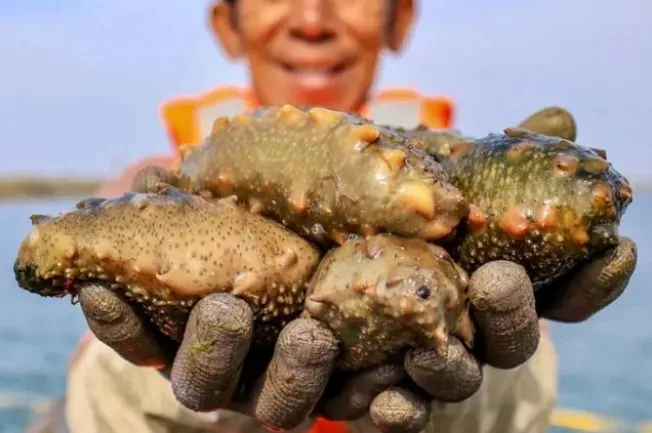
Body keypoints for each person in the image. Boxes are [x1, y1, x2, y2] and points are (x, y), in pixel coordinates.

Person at [54, 1, 637, 433]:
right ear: (228, 25)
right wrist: (168, 391)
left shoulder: (463, 185)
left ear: (398, 18)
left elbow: (520, 398)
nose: (312, 18)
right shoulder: (152, 191)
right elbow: (89, 405)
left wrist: (469, 402)